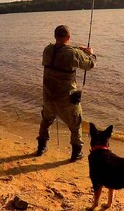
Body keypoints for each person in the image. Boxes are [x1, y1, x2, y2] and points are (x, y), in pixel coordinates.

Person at [36, 25, 96, 162]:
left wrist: (78, 49)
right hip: (66, 100)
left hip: (48, 97)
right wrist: (90, 53)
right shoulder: (73, 54)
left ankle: (41, 147)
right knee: (76, 125)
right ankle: (76, 152)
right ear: (69, 37)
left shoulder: (47, 50)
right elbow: (90, 65)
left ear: (55, 36)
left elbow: (60, 50)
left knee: (45, 121)